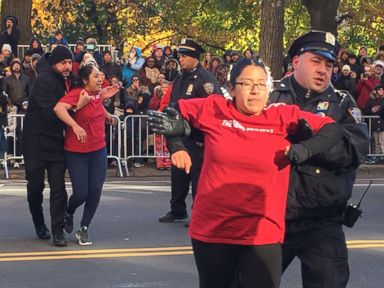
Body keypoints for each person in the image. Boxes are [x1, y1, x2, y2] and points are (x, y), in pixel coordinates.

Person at [148, 58, 343, 288]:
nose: (255, 90)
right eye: (247, 83)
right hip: (214, 229)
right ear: (232, 88)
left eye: (261, 84)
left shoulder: (282, 116)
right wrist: (177, 147)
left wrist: (304, 150)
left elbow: (332, 129)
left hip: (263, 231)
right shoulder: (215, 108)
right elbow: (172, 114)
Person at [268, 31, 370, 288]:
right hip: (273, 217)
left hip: (322, 220)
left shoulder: (342, 102)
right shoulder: (270, 97)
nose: (323, 70)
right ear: (295, 62)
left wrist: (313, 145)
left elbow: (355, 149)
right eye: (316, 61)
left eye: (328, 64)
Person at [157, 39, 221, 224]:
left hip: (196, 137)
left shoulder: (206, 80)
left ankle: (199, 213)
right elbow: (173, 103)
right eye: (180, 55)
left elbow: (212, 109)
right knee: (178, 175)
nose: (181, 59)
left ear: (195, 58)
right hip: (180, 135)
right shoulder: (180, 77)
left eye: (185, 56)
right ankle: (177, 209)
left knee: (197, 178)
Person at [54, 64, 117, 246]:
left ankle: (84, 228)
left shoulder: (98, 94)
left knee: (95, 190)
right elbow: (58, 109)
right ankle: (69, 210)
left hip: (98, 150)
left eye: (100, 76)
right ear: (84, 80)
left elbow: (97, 103)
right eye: (95, 76)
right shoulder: (78, 94)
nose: (99, 79)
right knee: (81, 193)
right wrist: (74, 125)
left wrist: (107, 116)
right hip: (77, 152)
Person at [22, 45, 76, 246]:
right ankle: (39, 224)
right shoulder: (43, 80)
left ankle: (58, 230)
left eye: (70, 62)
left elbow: (84, 89)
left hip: (55, 142)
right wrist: (74, 112)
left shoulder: (68, 80)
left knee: (59, 188)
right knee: (35, 188)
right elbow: (51, 113)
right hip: (35, 142)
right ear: (55, 63)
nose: (67, 67)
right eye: (63, 63)